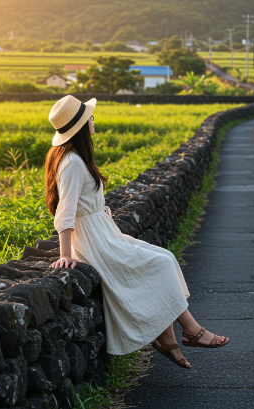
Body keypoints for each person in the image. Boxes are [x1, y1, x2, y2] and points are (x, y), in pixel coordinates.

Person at [44, 96, 228, 369]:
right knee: (161, 264)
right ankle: (191, 331)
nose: (93, 120)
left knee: (164, 257)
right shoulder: (72, 163)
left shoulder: (77, 158)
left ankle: (169, 339)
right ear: (82, 126)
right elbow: (65, 212)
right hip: (94, 242)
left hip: (104, 234)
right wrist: (66, 255)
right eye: (89, 118)